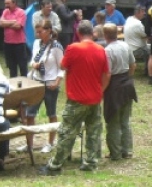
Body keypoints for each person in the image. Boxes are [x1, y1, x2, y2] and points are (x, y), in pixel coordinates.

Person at [39, 20, 110, 175]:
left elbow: (63, 66)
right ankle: (91, 162)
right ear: (92, 33)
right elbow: (107, 74)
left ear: (78, 33)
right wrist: (100, 90)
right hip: (95, 98)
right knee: (93, 131)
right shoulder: (101, 50)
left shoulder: (73, 48)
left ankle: (55, 165)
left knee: (67, 132)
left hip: (77, 98)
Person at [21, 19, 64, 154]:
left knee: (51, 113)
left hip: (50, 83)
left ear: (49, 31)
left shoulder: (56, 47)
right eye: (37, 31)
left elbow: (62, 67)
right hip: (37, 82)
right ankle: (29, 144)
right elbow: (33, 60)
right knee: (30, 114)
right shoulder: (36, 44)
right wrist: (33, 65)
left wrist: (57, 82)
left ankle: (50, 143)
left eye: (40, 31)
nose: (38, 34)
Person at [103, 24, 137, 160]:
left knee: (112, 121)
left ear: (105, 35)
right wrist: (128, 77)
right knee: (125, 119)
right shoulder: (125, 45)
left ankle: (115, 153)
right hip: (127, 84)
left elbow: (108, 73)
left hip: (114, 87)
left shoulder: (107, 51)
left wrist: (102, 90)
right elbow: (133, 65)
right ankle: (127, 150)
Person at [0, 0, 28, 77]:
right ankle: (13, 83)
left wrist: (6, 24)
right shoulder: (5, 11)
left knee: (22, 66)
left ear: (14, 3)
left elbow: (18, 26)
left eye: (8, 3)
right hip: (8, 43)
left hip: (19, 44)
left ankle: (25, 83)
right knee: (11, 66)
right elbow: (0, 23)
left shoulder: (21, 12)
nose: (6, 5)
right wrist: (13, 22)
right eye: (5, 3)